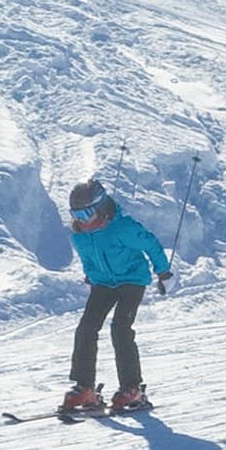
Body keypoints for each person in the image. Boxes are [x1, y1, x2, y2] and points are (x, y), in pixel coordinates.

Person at [59, 178, 174, 417]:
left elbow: (151, 244)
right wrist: (91, 276)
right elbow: (88, 258)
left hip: (132, 279)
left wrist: (163, 272)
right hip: (103, 283)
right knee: (86, 329)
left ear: (100, 208)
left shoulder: (123, 227)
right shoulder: (79, 233)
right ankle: (85, 388)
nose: (81, 220)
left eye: (87, 213)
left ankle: (132, 388)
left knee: (120, 328)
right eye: (76, 214)